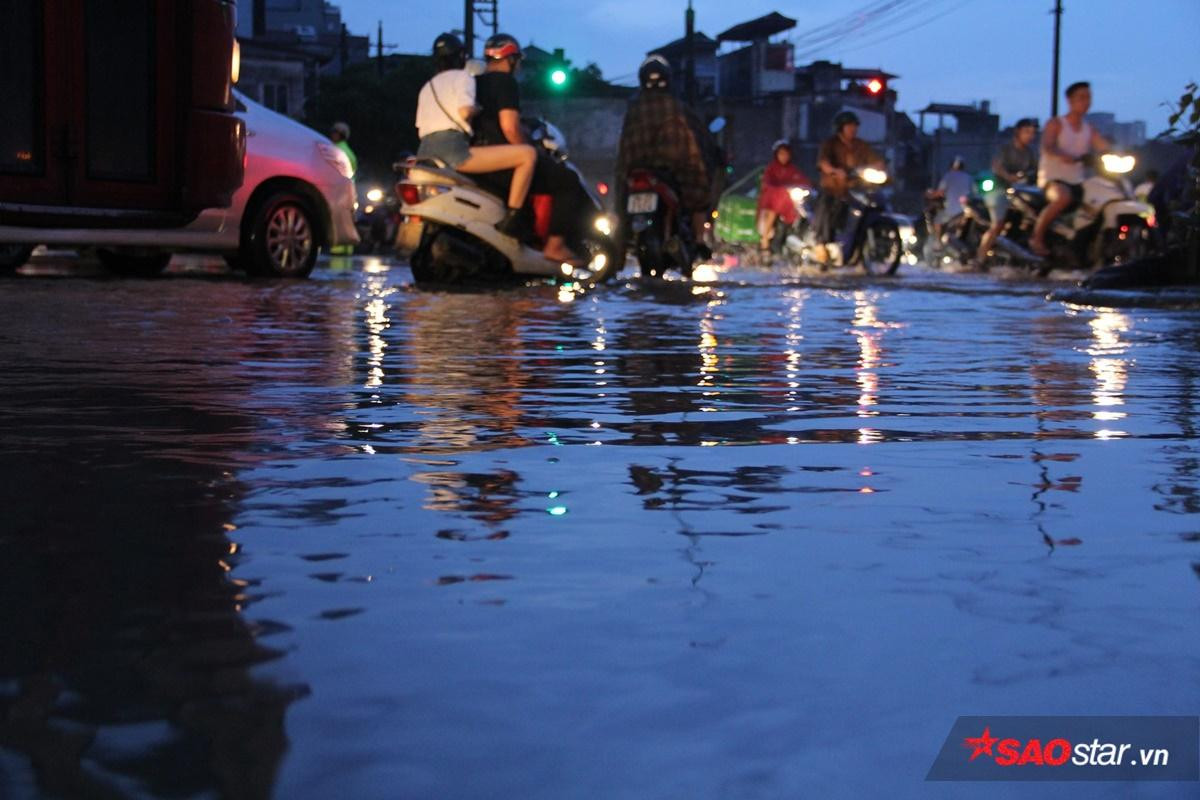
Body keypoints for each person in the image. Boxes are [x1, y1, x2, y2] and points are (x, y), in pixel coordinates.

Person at [471, 33, 588, 264]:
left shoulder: (475, 83)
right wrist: (529, 151)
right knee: (567, 180)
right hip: (503, 160)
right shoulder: (505, 83)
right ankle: (555, 245)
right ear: (511, 59)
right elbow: (510, 127)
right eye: (518, 61)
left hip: (478, 158)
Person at [415, 33, 536, 237]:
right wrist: (477, 110)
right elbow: (464, 111)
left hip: (424, 152)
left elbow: (419, 126)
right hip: (453, 150)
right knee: (528, 155)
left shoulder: (428, 86)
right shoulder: (464, 78)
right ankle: (512, 219)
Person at [615, 55, 718, 244]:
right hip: (674, 170)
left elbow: (624, 149)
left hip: (635, 170)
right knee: (699, 192)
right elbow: (699, 138)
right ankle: (700, 239)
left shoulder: (634, 109)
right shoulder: (678, 107)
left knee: (620, 198)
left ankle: (621, 237)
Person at [1031, 81, 1110, 256]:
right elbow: (1048, 146)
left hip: (1079, 181)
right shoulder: (1056, 124)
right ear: (1069, 100)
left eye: (1088, 97)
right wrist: (1062, 155)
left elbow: (1104, 147)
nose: (1086, 101)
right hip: (1053, 180)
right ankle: (1037, 238)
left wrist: (1118, 153)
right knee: (1063, 198)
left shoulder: (1089, 129)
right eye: (1081, 97)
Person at [814, 110, 884, 262]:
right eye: (849, 126)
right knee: (826, 205)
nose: (853, 129)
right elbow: (823, 161)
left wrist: (880, 166)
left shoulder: (861, 145)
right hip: (834, 188)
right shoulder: (830, 144)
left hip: (855, 190)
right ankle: (821, 243)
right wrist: (833, 170)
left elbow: (875, 159)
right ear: (841, 127)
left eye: (855, 126)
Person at [977, 118, 1038, 264]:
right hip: (1000, 189)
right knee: (998, 223)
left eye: (1033, 133)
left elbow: (1035, 171)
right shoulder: (1005, 148)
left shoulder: (1030, 153)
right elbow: (997, 166)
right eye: (1027, 132)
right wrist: (1009, 177)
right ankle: (979, 258)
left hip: (1021, 192)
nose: (1030, 136)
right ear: (1018, 132)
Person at [756, 139, 811, 253]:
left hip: (788, 202)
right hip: (772, 201)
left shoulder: (792, 169)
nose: (784, 156)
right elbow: (767, 182)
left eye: (786, 154)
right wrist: (779, 188)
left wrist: (810, 186)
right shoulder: (772, 168)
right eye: (781, 154)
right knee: (771, 213)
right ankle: (765, 241)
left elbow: (802, 180)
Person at [929, 156, 974, 238]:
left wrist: (930, 194)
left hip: (951, 210)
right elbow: (974, 192)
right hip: (967, 211)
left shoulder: (948, 176)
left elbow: (940, 192)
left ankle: (938, 243)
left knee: (937, 221)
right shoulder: (969, 177)